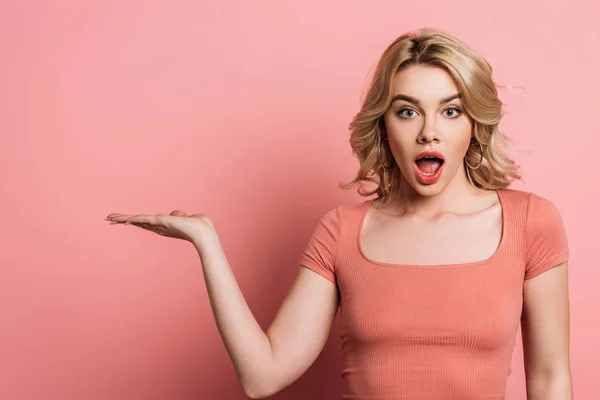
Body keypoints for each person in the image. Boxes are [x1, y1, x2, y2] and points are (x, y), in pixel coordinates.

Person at [105, 27, 572, 399]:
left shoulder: (531, 223)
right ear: (384, 125)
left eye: (450, 112)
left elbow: (550, 380)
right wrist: (206, 242)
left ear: (474, 123)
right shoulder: (342, 231)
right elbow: (262, 376)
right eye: (407, 112)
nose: (429, 132)